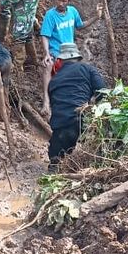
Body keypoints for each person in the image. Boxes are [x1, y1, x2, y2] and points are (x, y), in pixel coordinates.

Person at [40, 0, 103, 116]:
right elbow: (45, 35)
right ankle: (46, 102)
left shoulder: (73, 12)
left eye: (64, 1)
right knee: (48, 67)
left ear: (68, 1)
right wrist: (46, 53)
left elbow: (80, 26)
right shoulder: (50, 15)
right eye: (59, 0)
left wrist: (96, 17)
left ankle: (84, 102)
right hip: (56, 51)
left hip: (71, 52)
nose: (60, 3)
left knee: (82, 71)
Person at [47, 43, 106, 171]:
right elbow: (103, 92)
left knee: (55, 162)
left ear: (60, 60)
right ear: (78, 58)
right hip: (82, 122)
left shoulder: (54, 80)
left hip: (60, 127)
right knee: (95, 158)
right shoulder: (88, 69)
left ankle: (54, 169)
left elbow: (55, 105)